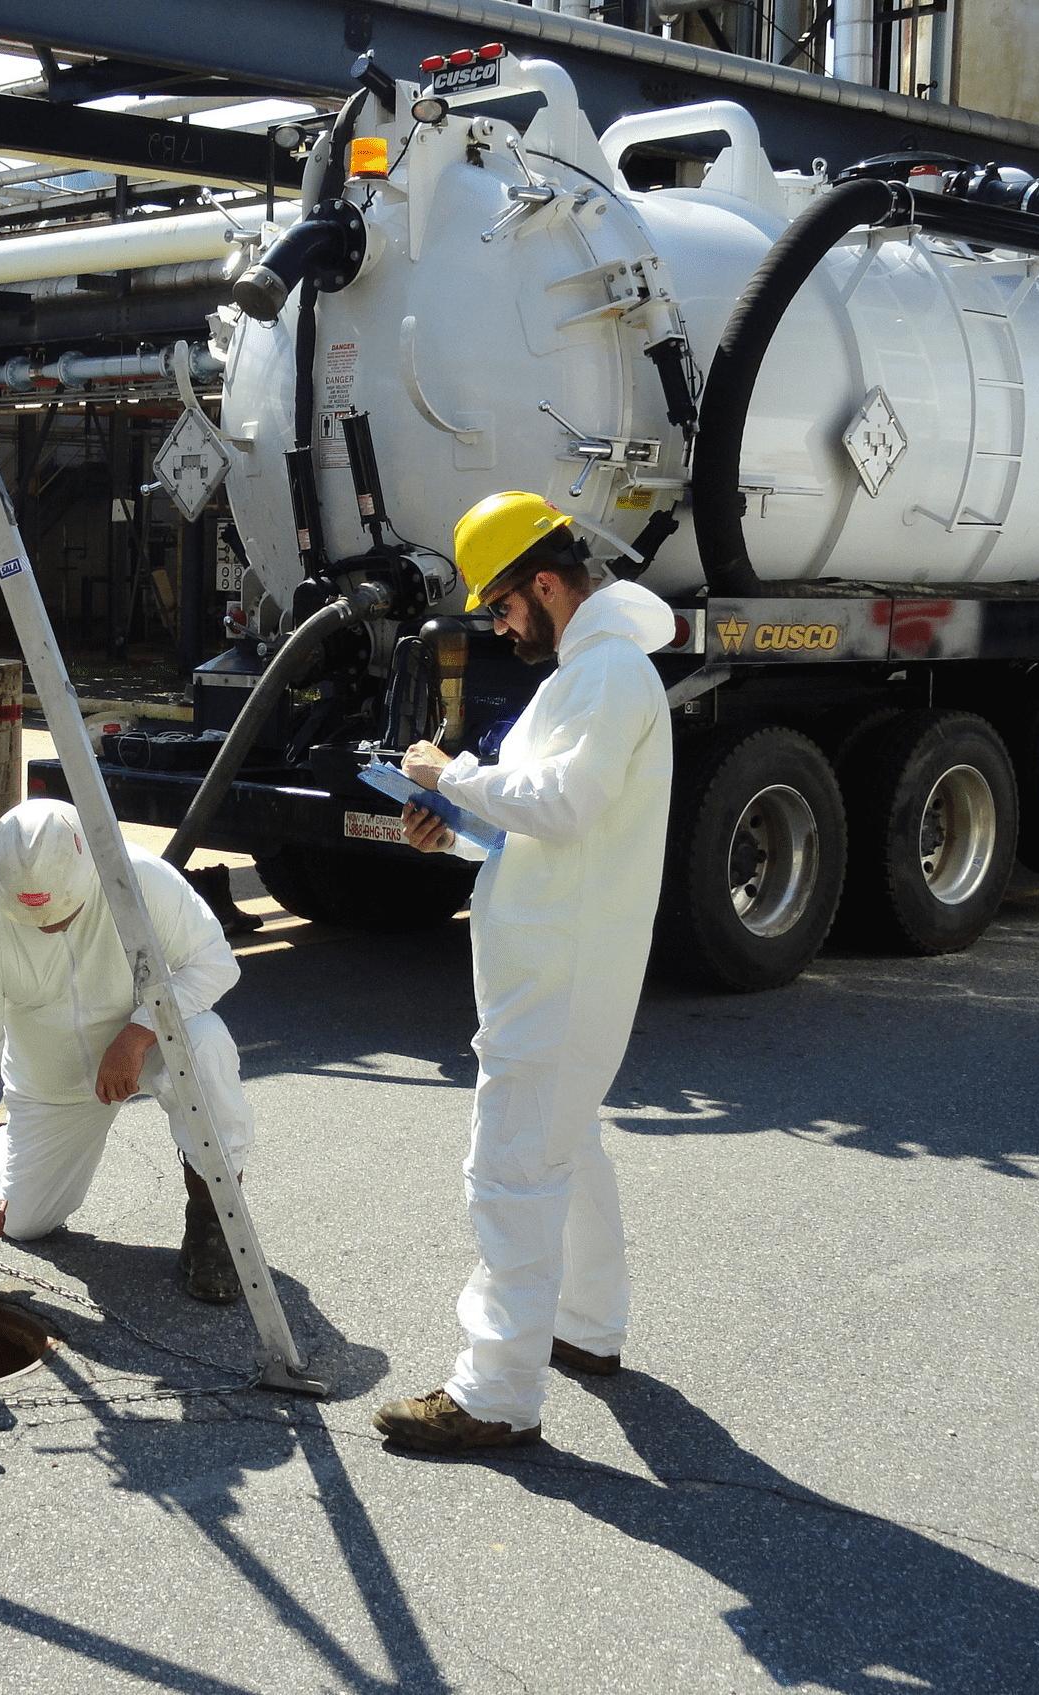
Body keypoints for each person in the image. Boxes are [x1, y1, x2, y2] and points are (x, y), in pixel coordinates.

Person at [371, 490, 676, 1453]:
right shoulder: (584, 675)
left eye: (502, 606)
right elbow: (532, 824)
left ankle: (495, 1392)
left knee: (510, 1170)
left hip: (560, 968)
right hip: (557, 959)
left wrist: (445, 776)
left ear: (545, 583)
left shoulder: (609, 674)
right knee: (561, 1147)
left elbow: (565, 801)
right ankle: (585, 1328)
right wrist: (452, 830)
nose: (501, 627)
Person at [0, 798, 254, 1302]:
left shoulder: (141, 879)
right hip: (52, 1081)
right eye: (32, 919)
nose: (48, 927)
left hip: (149, 1044)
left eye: (62, 914)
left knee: (206, 1045)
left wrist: (138, 1031)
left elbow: (216, 964)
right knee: (24, 1222)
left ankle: (216, 1226)